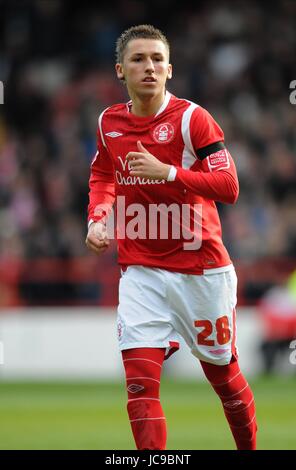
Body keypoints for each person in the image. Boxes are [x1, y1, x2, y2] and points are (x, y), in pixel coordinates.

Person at [86, 24, 257, 450]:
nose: (149, 67)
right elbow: (103, 173)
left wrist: (170, 173)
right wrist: (98, 217)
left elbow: (230, 185)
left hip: (202, 271)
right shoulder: (109, 122)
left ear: (170, 69)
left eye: (157, 59)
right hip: (141, 271)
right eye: (139, 59)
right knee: (140, 387)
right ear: (120, 71)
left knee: (224, 377)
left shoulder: (191, 119)